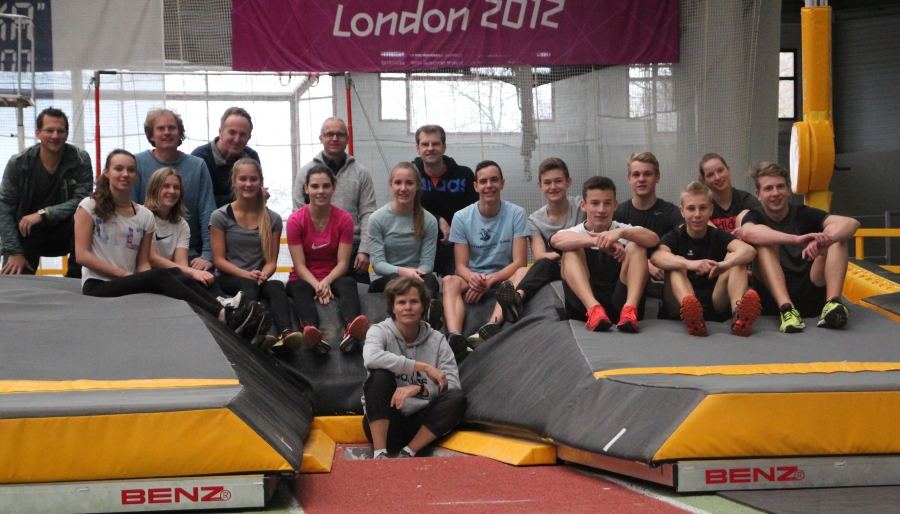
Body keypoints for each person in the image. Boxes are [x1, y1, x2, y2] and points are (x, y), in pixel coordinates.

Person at [74, 149, 262, 337]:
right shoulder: (89, 206)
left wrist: (150, 282)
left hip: (128, 281)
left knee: (176, 273)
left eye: (130, 170)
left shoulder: (144, 216)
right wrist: (127, 275)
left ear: (136, 175)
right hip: (98, 284)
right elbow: (82, 256)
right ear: (106, 172)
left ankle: (230, 314)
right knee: (162, 274)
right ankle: (221, 315)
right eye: (118, 169)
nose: (125, 174)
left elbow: (143, 263)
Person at [741, 162, 860, 332]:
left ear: (788, 189)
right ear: (759, 195)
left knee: (836, 235)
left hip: (809, 292)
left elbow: (852, 223)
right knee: (764, 243)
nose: (775, 193)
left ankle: (833, 303)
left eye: (780, 187)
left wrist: (826, 240)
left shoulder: (802, 213)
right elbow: (748, 232)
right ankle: (787, 309)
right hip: (773, 298)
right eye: (768, 189)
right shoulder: (755, 216)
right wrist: (796, 240)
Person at [475, 157, 585, 342]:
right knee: (540, 265)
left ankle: (515, 300)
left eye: (558, 181)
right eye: (547, 183)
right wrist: (569, 249)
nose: (553, 187)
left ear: (569, 182)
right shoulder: (534, 220)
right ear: (540, 186)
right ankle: (501, 315)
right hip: (554, 268)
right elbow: (540, 256)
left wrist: (571, 248)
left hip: (585, 264)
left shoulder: (583, 206)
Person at [362, 276, 466, 459]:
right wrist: (422, 367)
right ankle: (380, 453)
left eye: (414, 302)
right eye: (401, 302)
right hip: (387, 422)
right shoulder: (379, 331)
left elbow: (451, 385)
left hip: (421, 424)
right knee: (379, 375)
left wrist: (420, 389)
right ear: (392, 307)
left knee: (457, 398)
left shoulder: (438, 340)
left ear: (423, 306)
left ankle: (408, 452)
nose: (408, 307)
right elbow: (371, 358)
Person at [210, 158, 302, 351]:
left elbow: (271, 262)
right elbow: (219, 261)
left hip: (257, 278)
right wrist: (248, 275)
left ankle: (286, 333)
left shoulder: (273, 219)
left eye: (253, 179)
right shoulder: (220, 216)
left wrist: (263, 275)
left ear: (260, 182)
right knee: (249, 284)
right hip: (229, 278)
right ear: (234, 181)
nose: (248, 184)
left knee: (276, 286)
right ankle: (249, 329)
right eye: (243, 179)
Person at [442, 161, 529, 360]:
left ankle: (492, 325)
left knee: (524, 272)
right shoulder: (461, 217)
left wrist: (490, 280)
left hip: (504, 277)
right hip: (474, 277)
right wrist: (475, 279)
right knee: (448, 280)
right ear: (475, 186)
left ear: (502, 183)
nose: (489, 185)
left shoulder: (517, 214)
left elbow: (520, 262)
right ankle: (455, 336)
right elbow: (460, 267)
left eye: (494, 180)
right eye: (483, 181)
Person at [650, 182, 761, 337]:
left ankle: (738, 316)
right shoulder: (674, 236)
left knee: (736, 259)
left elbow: (749, 251)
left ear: (711, 210)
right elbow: (656, 257)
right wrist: (690, 264)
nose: (697, 214)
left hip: (714, 301)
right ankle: (693, 316)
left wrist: (725, 265)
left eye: (702, 208)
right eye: (691, 208)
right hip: (679, 304)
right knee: (675, 263)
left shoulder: (718, 235)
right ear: (682, 211)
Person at [550, 176, 659, 333]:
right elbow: (556, 240)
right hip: (584, 308)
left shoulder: (623, 230)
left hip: (619, 302)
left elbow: (653, 239)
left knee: (637, 246)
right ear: (584, 205)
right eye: (595, 203)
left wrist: (621, 233)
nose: (601, 210)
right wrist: (599, 241)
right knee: (571, 250)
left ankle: (630, 310)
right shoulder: (574, 232)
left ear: (615, 205)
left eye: (607, 203)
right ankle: (594, 309)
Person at [286, 164, 370, 354]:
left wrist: (326, 282)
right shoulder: (295, 220)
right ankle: (311, 332)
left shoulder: (344, 219)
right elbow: (299, 265)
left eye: (326, 186)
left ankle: (351, 329)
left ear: (334, 188)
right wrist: (318, 286)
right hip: (304, 278)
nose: (320, 191)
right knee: (299, 288)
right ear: (306, 189)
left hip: (333, 276)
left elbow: (343, 263)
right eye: (315, 186)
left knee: (349, 282)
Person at [0, 107, 91, 277]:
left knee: (89, 214)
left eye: (60, 131)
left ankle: (76, 276)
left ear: (67, 134)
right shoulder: (18, 163)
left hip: (64, 232)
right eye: (49, 130)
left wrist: (44, 214)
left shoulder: (80, 159)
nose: (55, 136)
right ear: (38, 133)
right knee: (14, 282)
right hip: (26, 234)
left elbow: (82, 200)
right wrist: (14, 251)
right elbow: (4, 207)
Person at [292, 117, 376, 285]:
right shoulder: (305, 173)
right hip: (314, 256)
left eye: (340, 134)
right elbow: (298, 213)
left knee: (357, 293)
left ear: (347, 139)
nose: (335, 138)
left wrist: (365, 250)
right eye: (329, 134)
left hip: (353, 254)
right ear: (321, 138)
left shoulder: (361, 173)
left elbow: (368, 213)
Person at [131, 108, 216, 273]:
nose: (167, 133)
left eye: (172, 128)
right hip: (144, 253)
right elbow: (131, 210)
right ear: (151, 135)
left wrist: (207, 254)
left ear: (180, 134)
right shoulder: (136, 163)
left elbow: (207, 211)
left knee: (204, 280)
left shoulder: (198, 166)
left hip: (187, 253)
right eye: (160, 128)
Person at [144, 167, 242, 308]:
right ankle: (222, 307)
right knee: (190, 274)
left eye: (176, 188)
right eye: (166, 186)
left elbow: (181, 264)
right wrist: (192, 271)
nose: (172, 191)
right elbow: (152, 259)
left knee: (204, 277)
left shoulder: (181, 223)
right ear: (154, 189)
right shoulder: (144, 217)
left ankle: (225, 305)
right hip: (151, 276)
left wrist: (196, 274)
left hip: (170, 274)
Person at [368, 162, 443, 329]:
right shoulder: (377, 219)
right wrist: (404, 272)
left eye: (409, 183)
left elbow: (427, 263)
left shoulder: (429, 220)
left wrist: (414, 276)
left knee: (431, 280)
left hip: (418, 277)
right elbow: (378, 264)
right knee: (395, 280)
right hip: (386, 278)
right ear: (391, 185)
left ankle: (428, 320)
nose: (403, 188)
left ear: (417, 185)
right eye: (398, 183)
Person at [413, 125, 478, 277]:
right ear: (418, 148)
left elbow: (473, 213)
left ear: (444, 147)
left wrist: (455, 233)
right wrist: (438, 220)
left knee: (460, 280)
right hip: (418, 243)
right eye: (425, 144)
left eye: (435, 144)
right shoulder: (410, 175)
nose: (430, 148)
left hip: (455, 244)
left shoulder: (464, 175)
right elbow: (405, 208)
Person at [614, 151, 684, 283]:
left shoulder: (670, 211)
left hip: (665, 280)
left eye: (647, 174)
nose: (641, 179)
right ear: (629, 178)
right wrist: (644, 264)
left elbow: (686, 235)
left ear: (657, 177)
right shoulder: (618, 213)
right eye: (636, 174)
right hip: (627, 281)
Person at [191, 107, 261, 208]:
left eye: (242, 134)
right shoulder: (200, 159)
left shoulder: (251, 157)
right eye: (232, 132)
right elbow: (199, 202)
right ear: (221, 132)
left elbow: (256, 195)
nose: (236, 139)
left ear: (249, 137)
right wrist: (242, 198)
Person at [699, 153, 762, 236]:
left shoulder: (746, 200)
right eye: (710, 175)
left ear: (728, 170)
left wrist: (748, 230)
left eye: (720, 170)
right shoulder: (701, 207)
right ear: (704, 180)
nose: (717, 177)